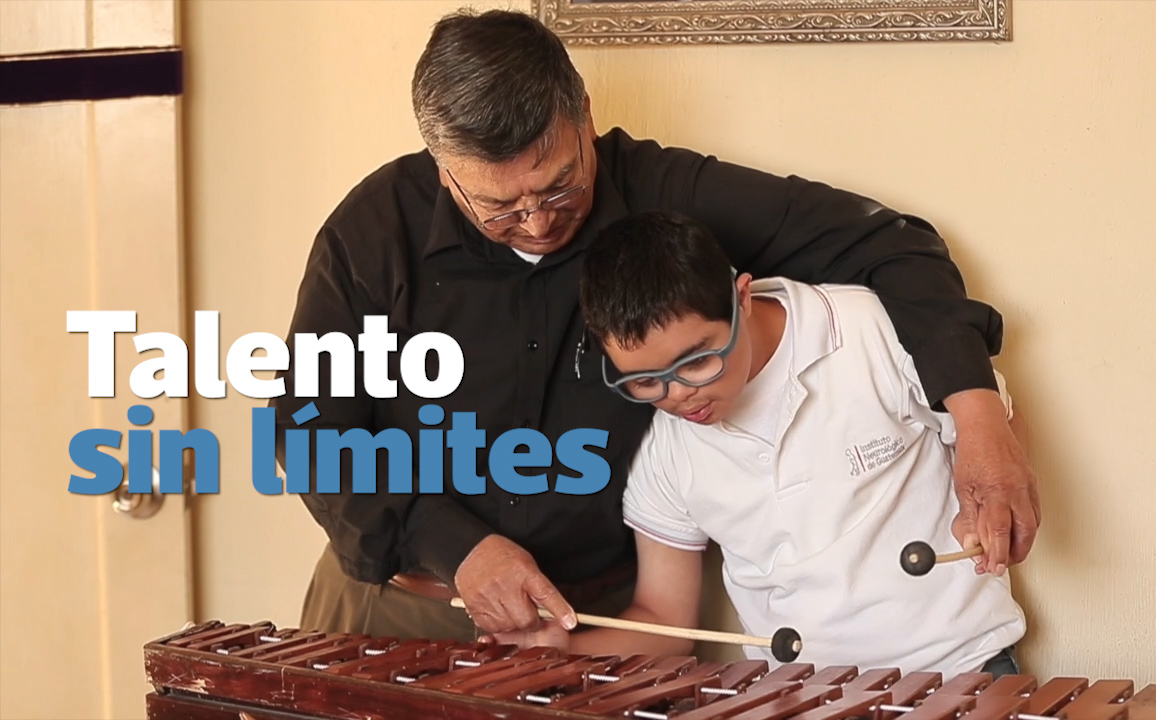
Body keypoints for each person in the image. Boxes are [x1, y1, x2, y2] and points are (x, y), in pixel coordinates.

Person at [268, 8, 1040, 642]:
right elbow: (309, 432)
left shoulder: (667, 193)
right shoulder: (373, 233)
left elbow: (891, 246)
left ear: (583, 116)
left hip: (594, 621)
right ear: (444, 170)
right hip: (399, 603)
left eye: (559, 186)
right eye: (498, 208)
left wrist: (978, 422)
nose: (536, 223)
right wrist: (458, 547)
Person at [487, 210, 1028, 677]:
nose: (679, 396)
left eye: (697, 360)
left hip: (961, 672)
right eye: (646, 380)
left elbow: (996, 433)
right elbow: (664, 620)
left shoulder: (869, 331)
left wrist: (992, 508)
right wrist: (564, 649)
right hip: (799, 697)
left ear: (741, 297)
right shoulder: (667, 450)